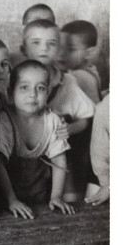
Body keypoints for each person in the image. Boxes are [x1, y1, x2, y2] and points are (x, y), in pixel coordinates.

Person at [0, 60, 76, 245]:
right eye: (24, 88)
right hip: (4, 188)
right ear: (10, 92)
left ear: (49, 92)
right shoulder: (4, 119)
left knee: (27, 235)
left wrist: (56, 196)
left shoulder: (52, 120)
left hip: (36, 187)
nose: (33, 95)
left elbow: (60, 158)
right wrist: (11, 199)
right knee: (8, 234)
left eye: (40, 88)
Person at [21, 19, 95, 202]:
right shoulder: (15, 79)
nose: (44, 49)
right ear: (24, 49)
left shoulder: (67, 82)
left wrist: (71, 129)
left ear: (59, 48)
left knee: (69, 198)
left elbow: (86, 116)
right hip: (26, 155)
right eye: (36, 43)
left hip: (59, 156)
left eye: (51, 44)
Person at [78, 94, 109, 245]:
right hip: (103, 173)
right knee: (91, 229)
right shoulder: (107, 106)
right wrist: (108, 183)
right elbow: (99, 150)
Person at [59, 20, 102, 104]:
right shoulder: (91, 70)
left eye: (71, 49)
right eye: (60, 47)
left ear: (89, 53)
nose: (62, 53)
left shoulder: (78, 76)